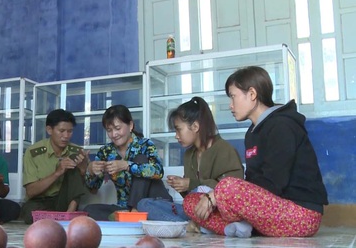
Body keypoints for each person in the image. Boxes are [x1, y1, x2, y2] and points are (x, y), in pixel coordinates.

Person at [183, 66, 328, 237]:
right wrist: (217, 197)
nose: (231, 105)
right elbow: (252, 182)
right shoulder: (252, 133)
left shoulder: (282, 126)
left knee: (227, 187)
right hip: (265, 211)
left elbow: (274, 183)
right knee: (191, 201)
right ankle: (235, 229)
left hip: (300, 214)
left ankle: (241, 224)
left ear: (252, 94)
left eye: (233, 97)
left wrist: (219, 195)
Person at [84, 105, 178, 221]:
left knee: (140, 159)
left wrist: (127, 165)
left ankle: (134, 213)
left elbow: (158, 171)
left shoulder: (145, 144)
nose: (114, 134)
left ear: (131, 126)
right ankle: (129, 216)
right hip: (124, 208)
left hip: (153, 205)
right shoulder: (105, 152)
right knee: (88, 211)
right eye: (109, 130)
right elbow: (94, 189)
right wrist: (90, 171)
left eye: (118, 128)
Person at [166, 97, 244, 230]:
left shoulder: (224, 150)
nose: (176, 136)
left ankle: (212, 226)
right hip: (196, 209)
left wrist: (190, 183)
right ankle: (200, 225)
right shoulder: (189, 155)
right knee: (147, 204)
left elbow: (233, 190)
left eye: (178, 129)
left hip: (223, 212)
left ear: (195, 126)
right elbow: (193, 194)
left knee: (189, 204)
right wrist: (181, 186)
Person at [20, 109, 89, 224]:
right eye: (61, 131)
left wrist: (83, 170)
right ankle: (57, 219)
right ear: (49, 130)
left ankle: (69, 214)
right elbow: (31, 192)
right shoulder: (33, 152)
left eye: (70, 131)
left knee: (73, 159)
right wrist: (58, 172)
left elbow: (87, 187)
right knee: (29, 213)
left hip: (65, 202)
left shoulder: (77, 151)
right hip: (40, 201)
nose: (66, 136)